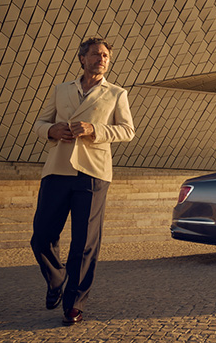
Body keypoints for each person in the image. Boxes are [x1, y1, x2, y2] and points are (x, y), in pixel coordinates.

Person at [30, 37, 135, 325]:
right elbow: (39, 123)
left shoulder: (116, 93)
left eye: (105, 56)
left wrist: (94, 129)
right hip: (58, 169)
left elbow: (127, 131)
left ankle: (74, 303)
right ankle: (56, 279)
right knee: (41, 235)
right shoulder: (61, 89)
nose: (102, 59)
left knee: (85, 243)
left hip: (93, 172)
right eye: (96, 54)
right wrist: (53, 130)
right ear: (82, 59)